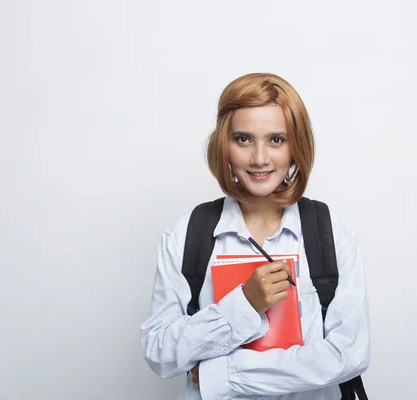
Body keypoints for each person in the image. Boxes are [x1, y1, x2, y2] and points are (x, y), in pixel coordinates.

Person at [140, 72, 370, 399]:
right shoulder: (188, 234)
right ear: (224, 144)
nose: (259, 158)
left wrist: (222, 375)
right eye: (243, 139)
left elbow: (347, 355)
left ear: (296, 147)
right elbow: (159, 352)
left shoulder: (330, 233)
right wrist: (245, 305)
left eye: (276, 139)